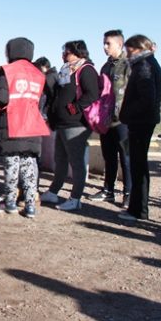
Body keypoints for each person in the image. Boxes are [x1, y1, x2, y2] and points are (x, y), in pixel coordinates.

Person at [0, 38, 49, 217]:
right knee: (29, 166)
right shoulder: (38, 73)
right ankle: (30, 206)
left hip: (13, 123)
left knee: (12, 165)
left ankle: (10, 202)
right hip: (32, 123)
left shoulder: (8, 70)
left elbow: (2, 97)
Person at [40, 41, 100, 211]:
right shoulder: (66, 70)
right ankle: (53, 191)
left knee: (76, 162)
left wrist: (74, 108)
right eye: (63, 52)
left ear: (78, 52)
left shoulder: (86, 69)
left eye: (67, 53)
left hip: (76, 124)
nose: (63, 55)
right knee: (60, 159)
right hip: (62, 123)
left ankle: (75, 198)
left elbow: (92, 94)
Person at [116, 35, 161, 222]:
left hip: (141, 122)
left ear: (139, 48)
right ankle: (137, 208)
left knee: (138, 166)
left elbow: (146, 99)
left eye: (129, 50)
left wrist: (127, 114)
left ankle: (138, 210)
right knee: (138, 166)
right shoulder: (146, 63)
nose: (127, 54)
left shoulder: (144, 66)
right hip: (142, 121)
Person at [89, 29, 132, 207]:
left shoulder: (128, 65)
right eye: (104, 43)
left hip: (124, 119)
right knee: (109, 155)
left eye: (109, 44)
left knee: (126, 157)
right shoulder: (106, 66)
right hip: (106, 119)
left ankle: (129, 193)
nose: (105, 47)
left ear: (119, 44)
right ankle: (108, 190)